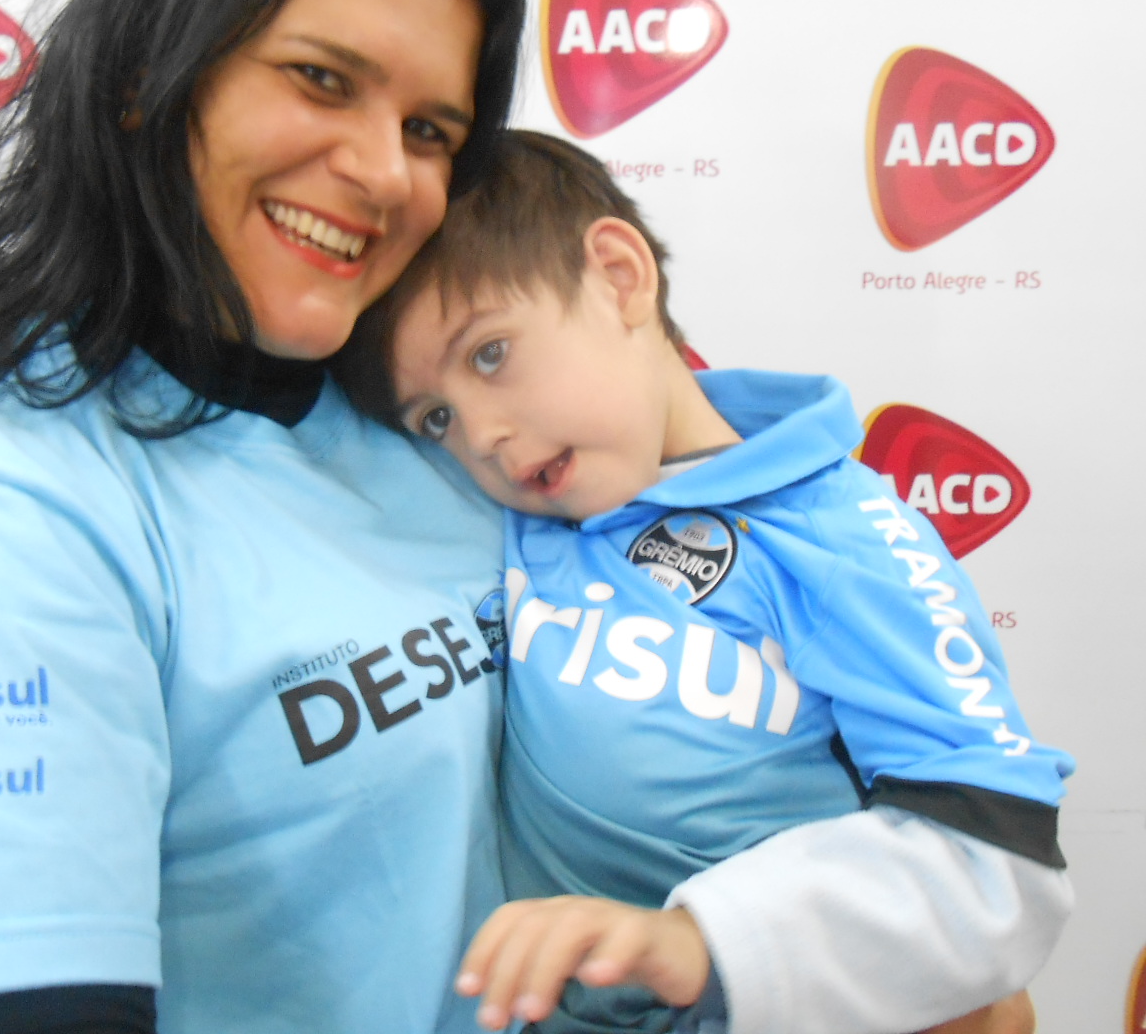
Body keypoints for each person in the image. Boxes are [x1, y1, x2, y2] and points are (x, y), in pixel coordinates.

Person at [0, 0, 526, 1033]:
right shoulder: (6, 515)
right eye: (320, 79)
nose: (379, 172)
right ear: (149, 77)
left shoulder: (457, 423)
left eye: (429, 130)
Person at [337, 129, 1075, 1034]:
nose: (480, 432)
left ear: (617, 276)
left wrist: (700, 943)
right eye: (437, 415)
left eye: (491, 352)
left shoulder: (841, 536)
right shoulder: (501, 510)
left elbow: (997, 861)